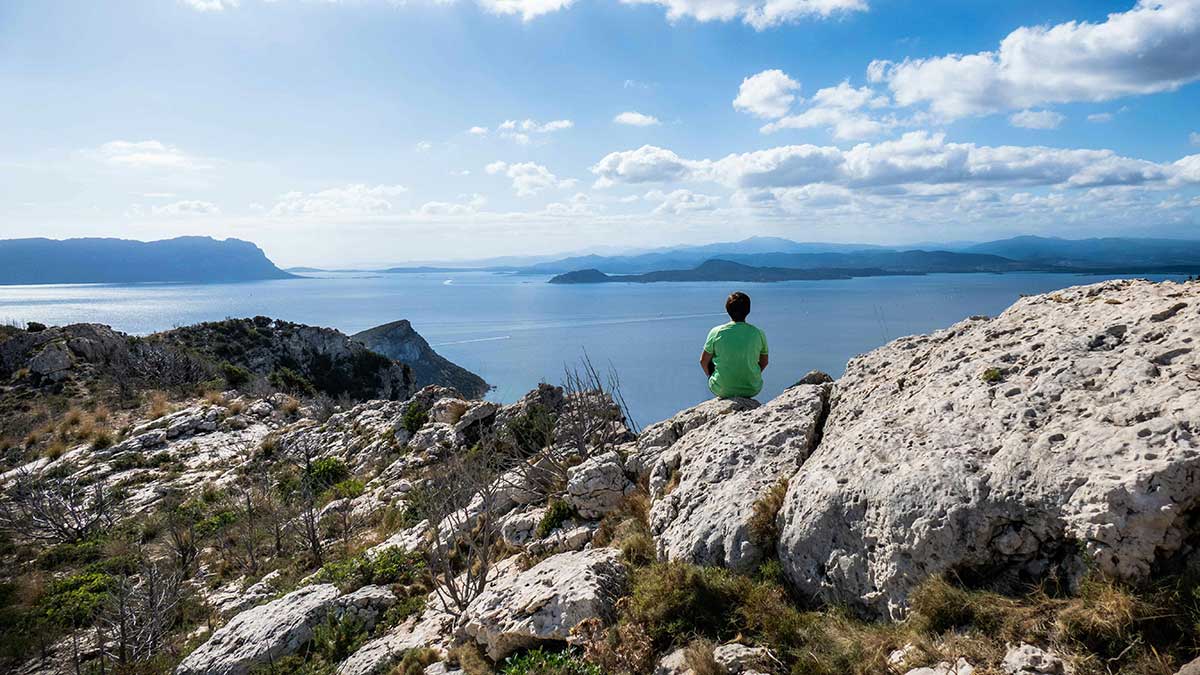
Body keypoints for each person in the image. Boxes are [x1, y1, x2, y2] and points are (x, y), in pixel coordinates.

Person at [700, 291, 768, 399]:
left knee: (711, 357)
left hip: (722, 389)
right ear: (748, 310)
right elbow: (764, 362)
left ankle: (722, 381)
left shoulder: (716, 332)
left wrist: (710, 376)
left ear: (727, 310)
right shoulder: (758, 333)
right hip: (752, 388)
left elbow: (703, 361)